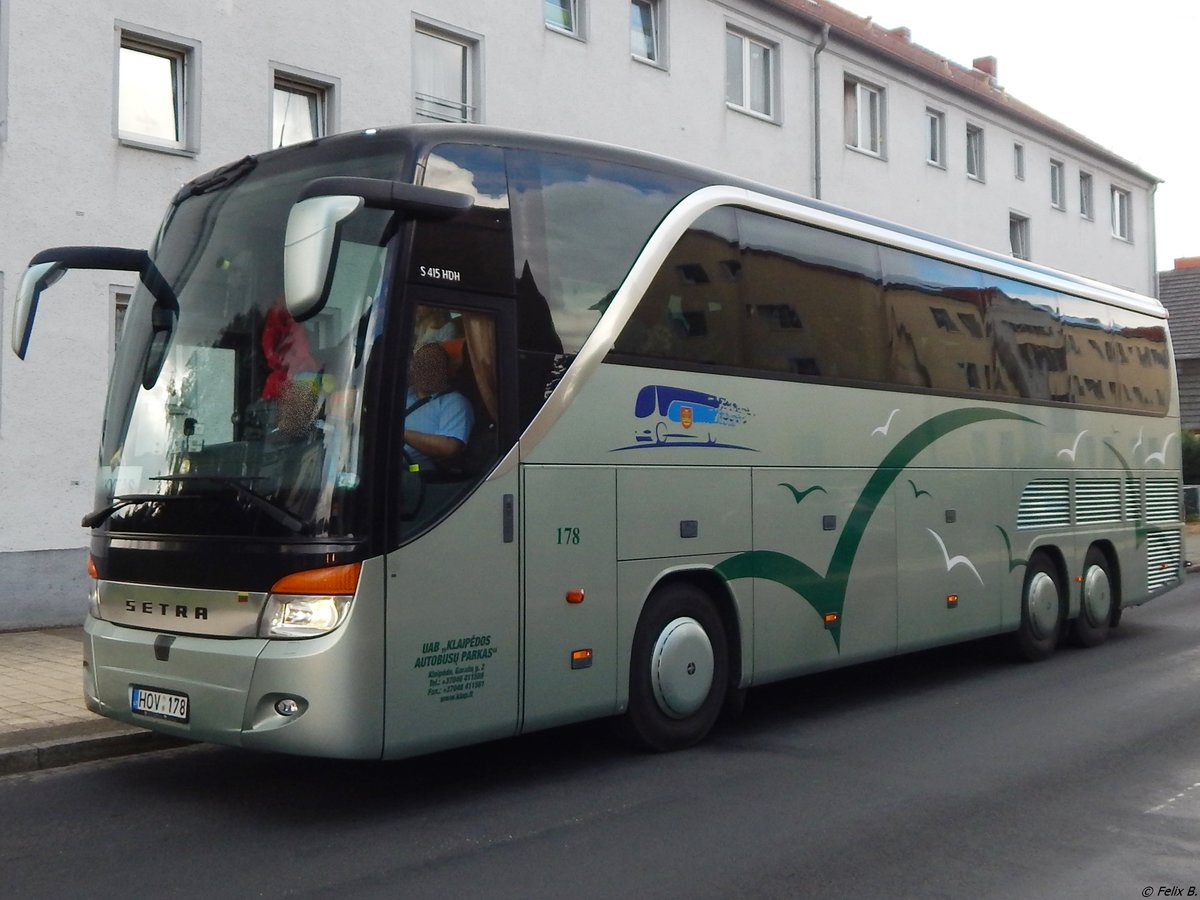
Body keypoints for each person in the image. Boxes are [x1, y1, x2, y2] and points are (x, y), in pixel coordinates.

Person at [404, 342, 474, 469]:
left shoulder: (454, 402)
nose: (426, 371)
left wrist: (402, 434)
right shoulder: (405, 394)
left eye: (434, 366)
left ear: (446, 371)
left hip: (416, 471)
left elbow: (449, 448)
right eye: (421, 365)